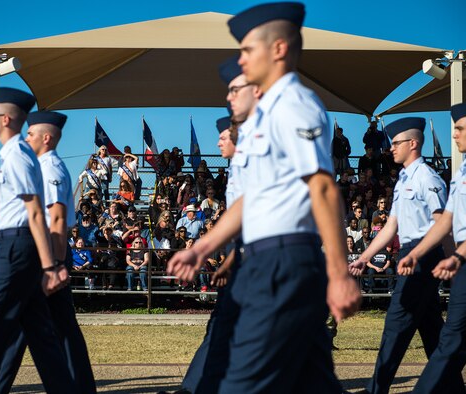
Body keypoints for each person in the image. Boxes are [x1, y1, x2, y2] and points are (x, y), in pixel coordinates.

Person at [168, 3, 360, 393]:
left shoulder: (294, 105)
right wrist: (202, 247)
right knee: (313, 382)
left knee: (240, 383)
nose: (241, 59)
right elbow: (250, 199)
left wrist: (339, 273)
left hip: (283, 261)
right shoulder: (268, 115)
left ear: (278, 50)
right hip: (267, 260)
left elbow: (322, 187)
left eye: (248, 49)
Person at [349, 117, 464, 393]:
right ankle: (453, 389)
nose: (391, 148)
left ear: (413, 144)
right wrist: (365, 257)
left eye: (396, 143)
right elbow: (392, 226)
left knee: (396, 323)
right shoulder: (403, 179)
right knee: (431, 326)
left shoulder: (427, 177)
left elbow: (442, 223)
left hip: (423, 254)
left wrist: (452, 261)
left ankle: (376, 389)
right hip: (411, 252)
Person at [0, 111, 96, 393]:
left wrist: (51, 265)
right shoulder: (40, 165)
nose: (26, 138)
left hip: (49, 254)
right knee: (47, 328)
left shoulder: (49, 168)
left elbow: (57, 219)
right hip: (48, 255)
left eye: (30, 134)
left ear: (47, 138)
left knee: (25, 327)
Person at [0, 87, 73, 392]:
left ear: (5, 119)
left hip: (18, 248)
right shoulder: (14, 154)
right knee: (40, 335)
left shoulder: (17, 156)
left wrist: (50, 267)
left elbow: (36, 213)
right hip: (16, 243)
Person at [396, 104, 466, 393]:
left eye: (460, 128)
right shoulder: (461, 171)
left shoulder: (429, 177)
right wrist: (414, 252)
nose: (455, 134)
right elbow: (445, 221)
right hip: (460, 259)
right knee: (449, 337)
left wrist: (456, 256)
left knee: (450, 339)